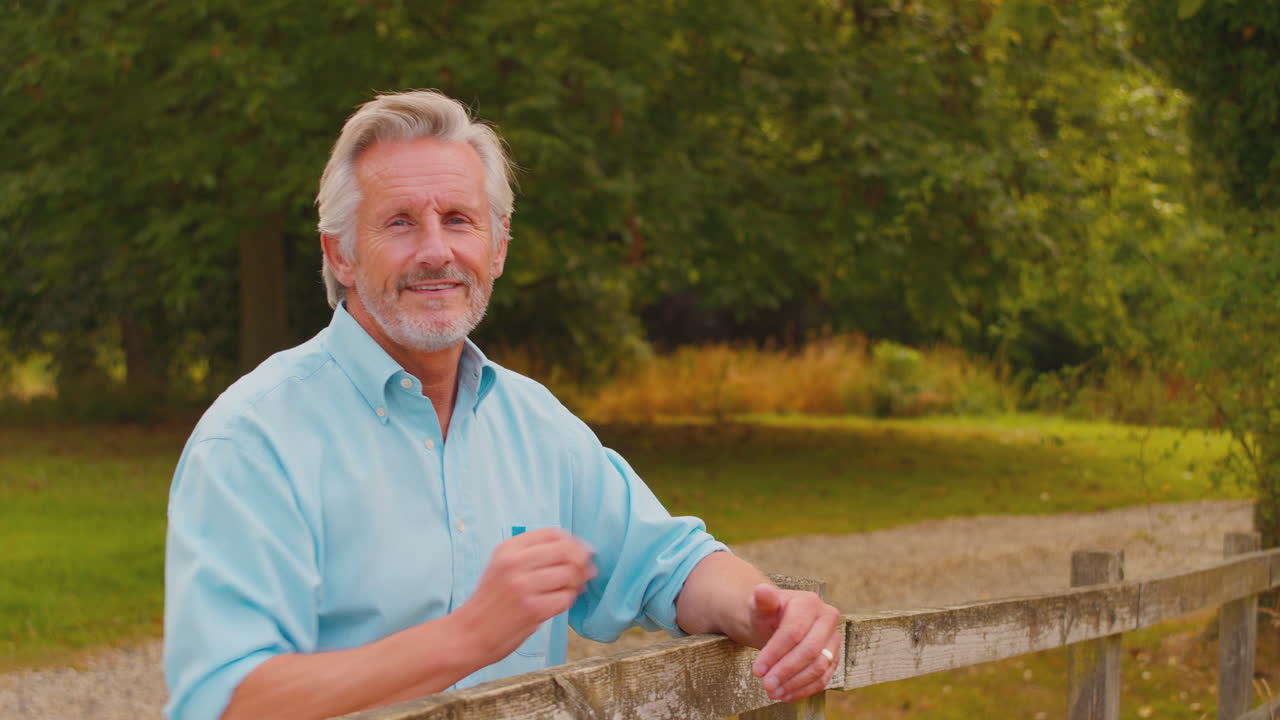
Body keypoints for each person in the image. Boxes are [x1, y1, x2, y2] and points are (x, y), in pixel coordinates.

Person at [163, 90, 841, 720]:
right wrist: (467, 638)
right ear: (339, 253)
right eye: (400, 223)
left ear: (499, 247)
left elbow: (669, 564)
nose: (436, 251)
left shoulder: (534, 423)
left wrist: (767, 613)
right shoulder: (254, 437)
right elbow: (224, 700)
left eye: (459, 220)